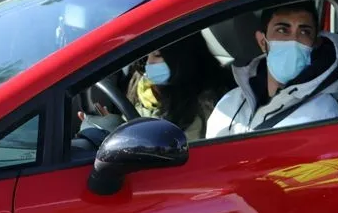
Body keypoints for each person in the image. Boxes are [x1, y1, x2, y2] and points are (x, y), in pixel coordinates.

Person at [205, 0, 338, 138]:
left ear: (314, 45)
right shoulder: (228, 104)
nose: (293, 40)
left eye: (304, 32)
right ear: (263, 42)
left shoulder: (324, 114)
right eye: (283, 30)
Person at [79, 32, 232, 143]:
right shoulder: (143, 87)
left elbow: (172, 153)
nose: (148, 64)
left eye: (157, 56)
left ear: (182, 59)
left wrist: (118, 134)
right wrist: (111, 125)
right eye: (148, 56)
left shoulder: (203, 106)